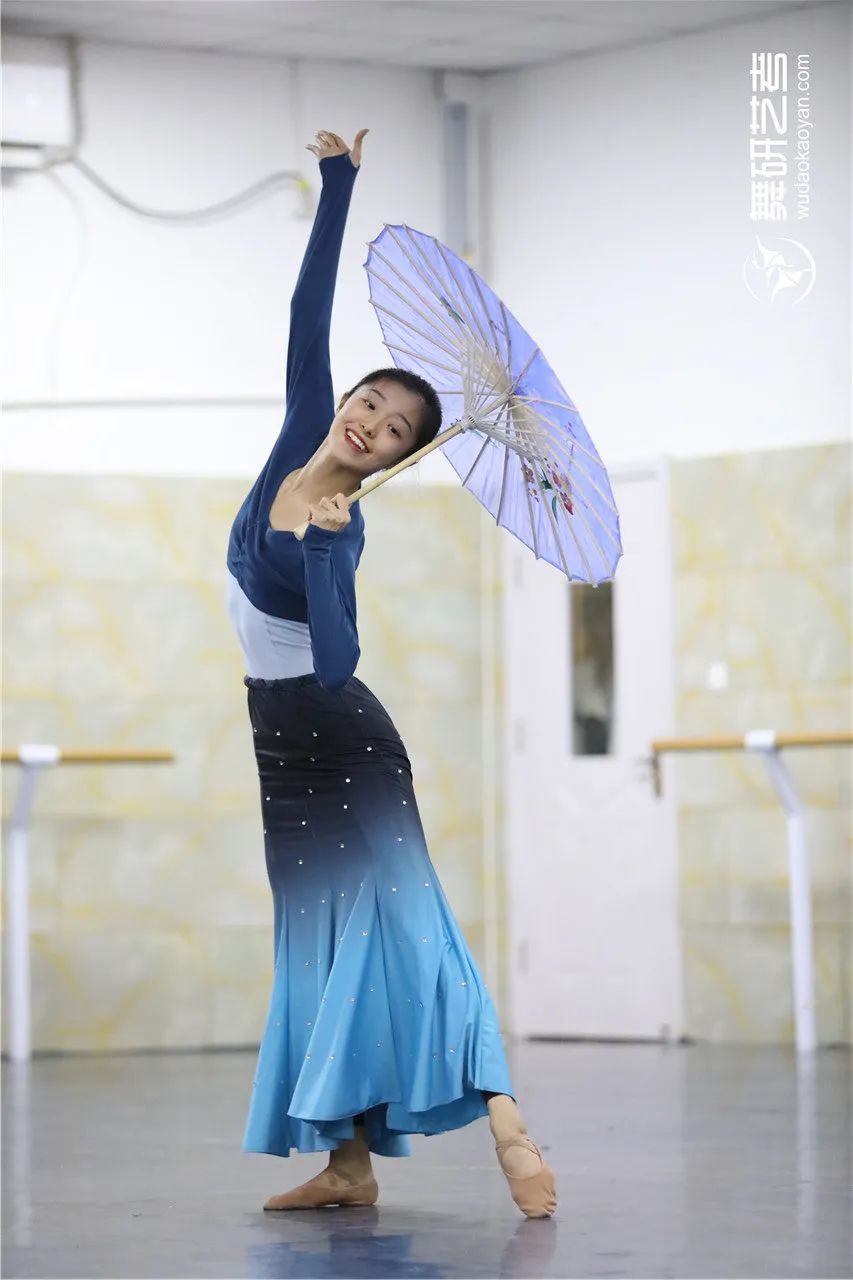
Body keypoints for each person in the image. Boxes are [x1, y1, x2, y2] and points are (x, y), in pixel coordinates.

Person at [225, 127, 556, 1219]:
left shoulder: (343, 526)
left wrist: (326, 553)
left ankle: (506, 1117)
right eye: (369, 401)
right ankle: (349, 1165)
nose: (370, 421)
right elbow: (303, 315)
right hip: (282, 752)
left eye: (396, 428)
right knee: (318, 947)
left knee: (410, 927)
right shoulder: (295, 436)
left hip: (346, 746)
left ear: (401, 458)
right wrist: (337, 185)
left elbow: (336, 663)